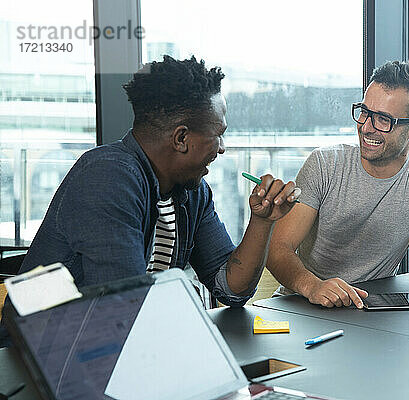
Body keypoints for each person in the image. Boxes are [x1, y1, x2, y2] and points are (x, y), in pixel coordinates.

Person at [17, 55, 300, 307]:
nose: (222, 148)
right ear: (181, 138)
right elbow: (124, 305)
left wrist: (263, 221)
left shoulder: (192, 191)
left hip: (124, 346)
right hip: (47, 352)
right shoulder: (107, 177)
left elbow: (231, 290)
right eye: (218, 134)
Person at [266, 61, 409, 309]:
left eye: (383, 120)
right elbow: (278, 249)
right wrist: (313, 287)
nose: (366, 127)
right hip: (304, 305)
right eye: (364, 112)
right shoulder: (324, 164)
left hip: (373, 310)